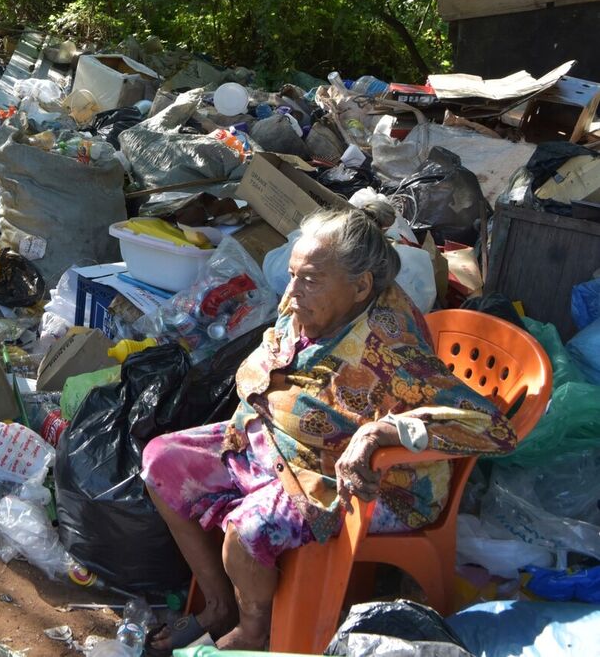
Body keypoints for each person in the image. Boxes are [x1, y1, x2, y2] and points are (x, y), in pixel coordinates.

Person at [142, 203, 517, 651]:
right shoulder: (312, 300)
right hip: (279, 442)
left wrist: (379, 433)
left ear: (360, 287)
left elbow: (490, 426)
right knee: (161, 461)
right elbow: (278, 351)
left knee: (246, 531)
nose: (292, 289)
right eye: (295, 273)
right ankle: (219, 604)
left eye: (309, 278)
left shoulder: (392, 349)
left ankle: (254, 629)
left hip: (371, 481)